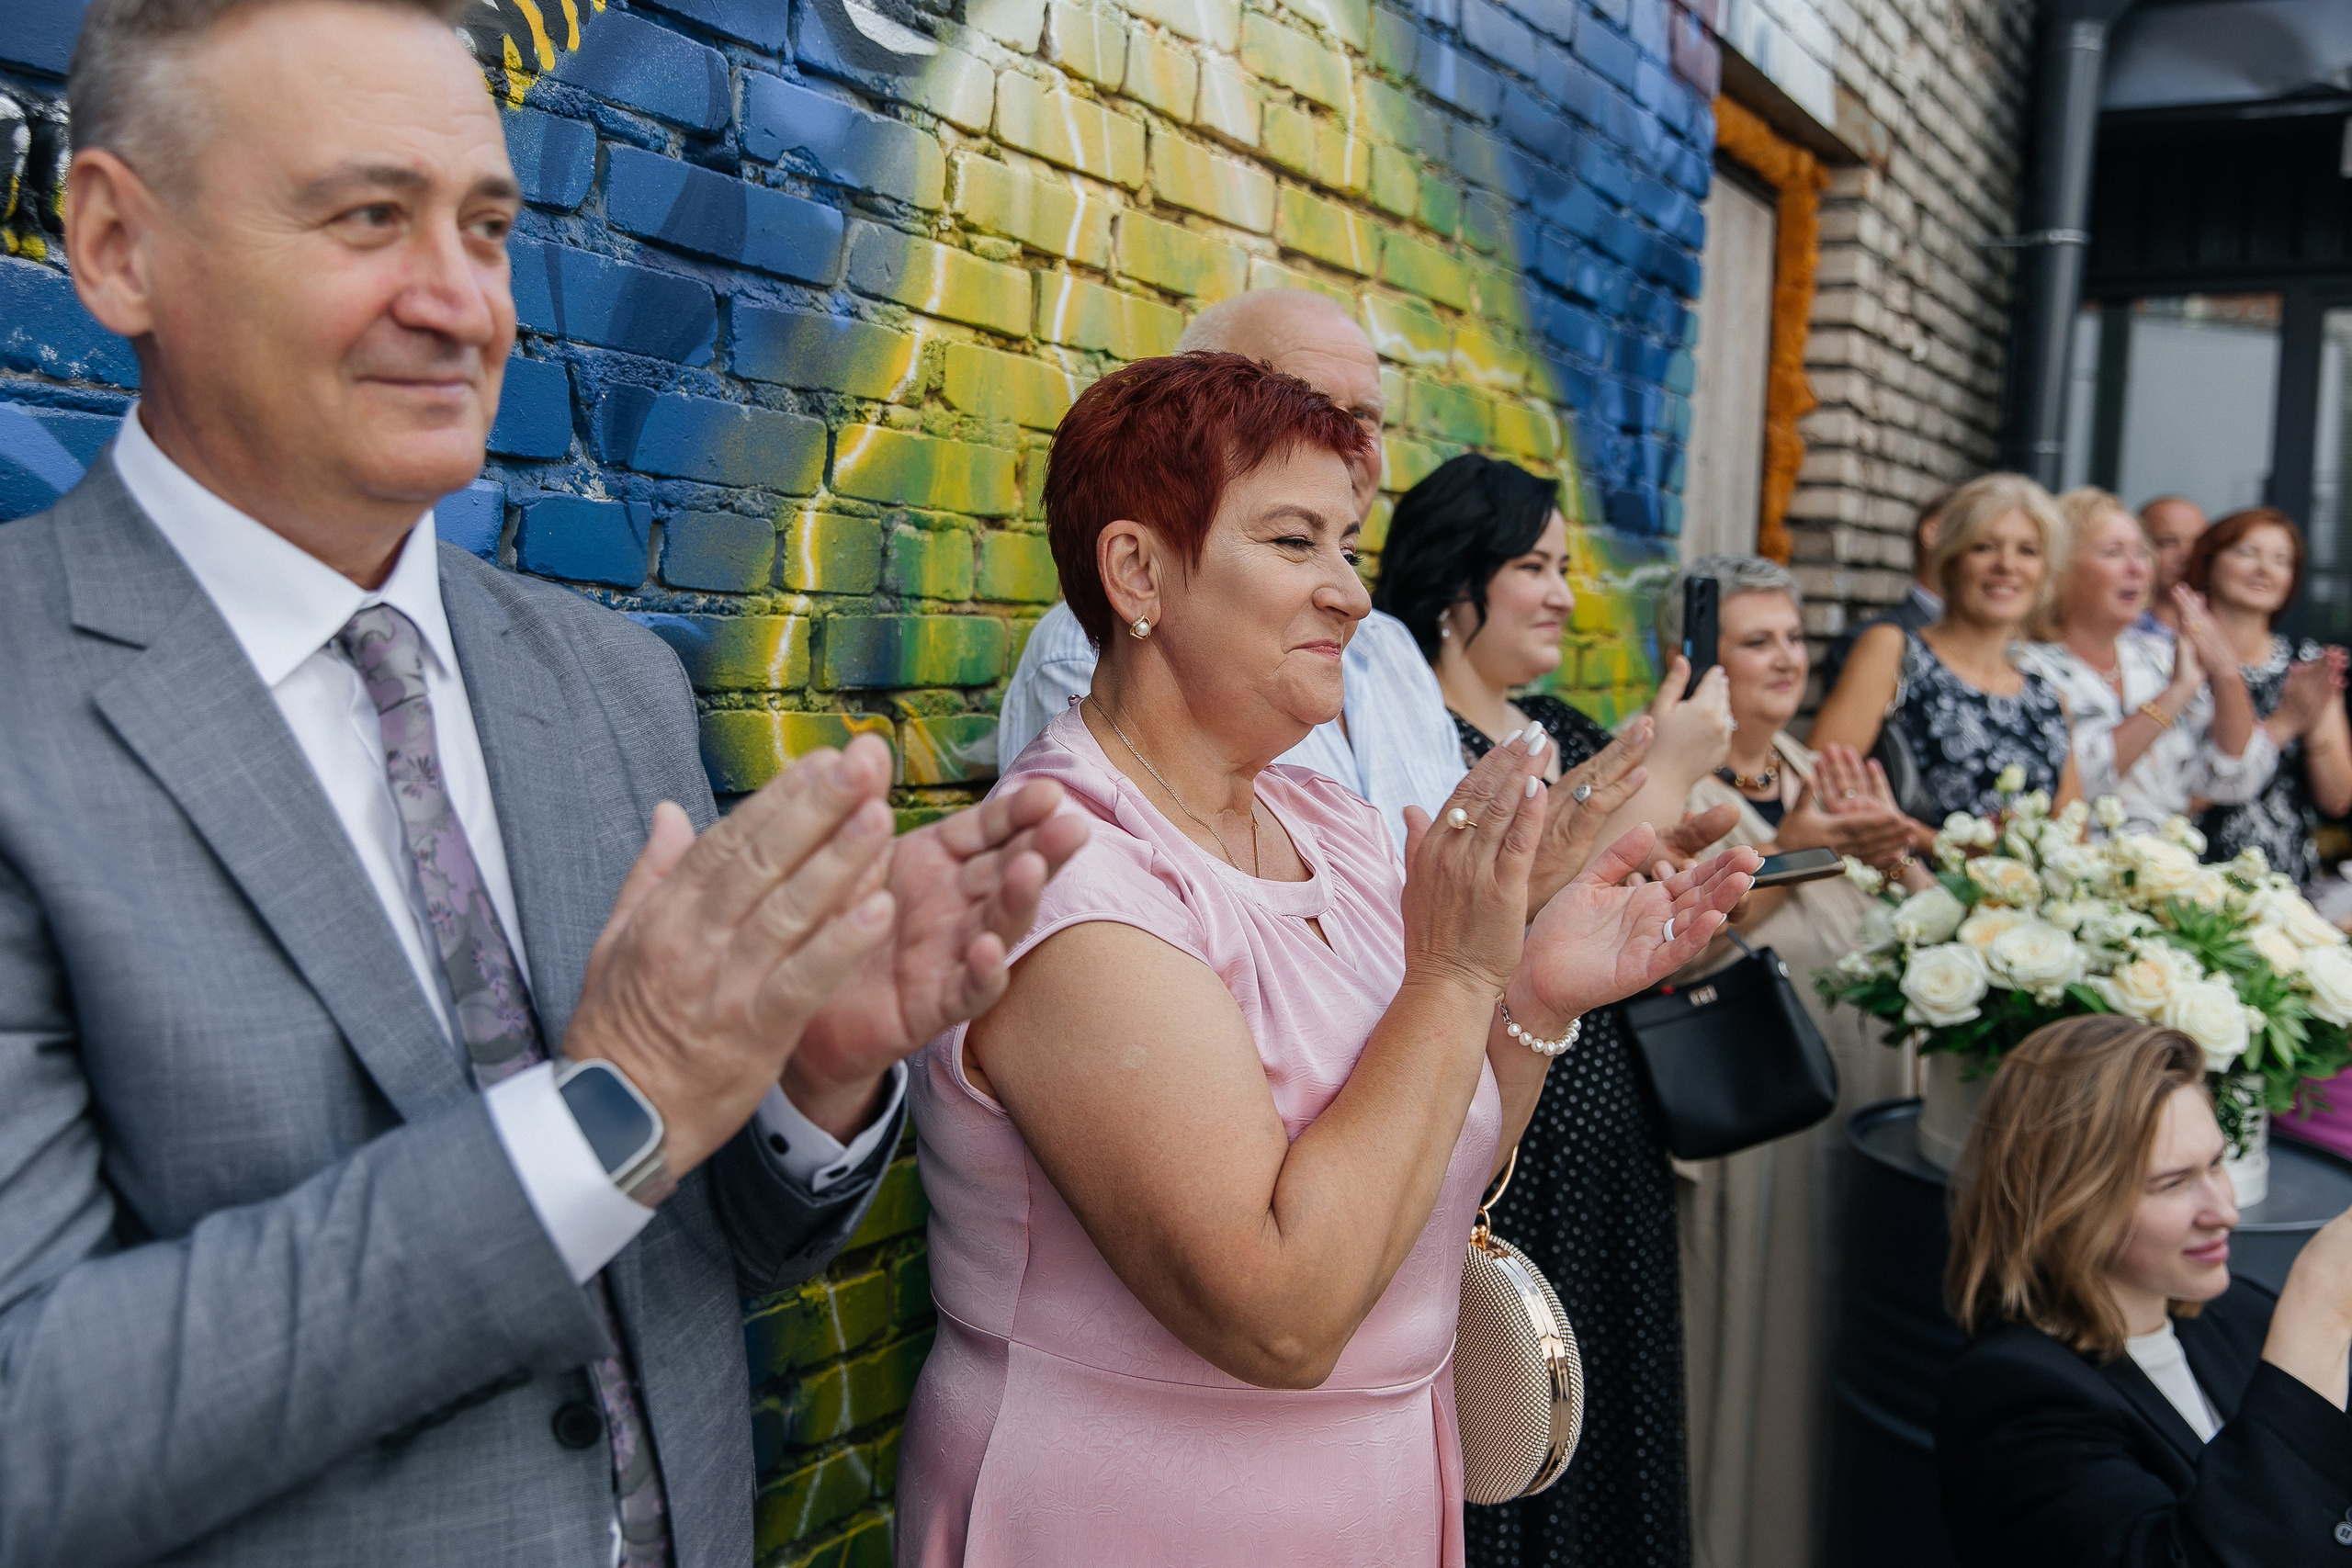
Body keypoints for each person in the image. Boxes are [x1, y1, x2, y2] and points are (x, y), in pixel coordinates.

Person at [0, 3, 1087, 1562]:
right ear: (116, 245)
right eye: (369, 216)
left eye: (489, 227)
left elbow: (710, 1252)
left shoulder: (611, 681)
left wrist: (812, 1075)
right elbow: (33, 1425)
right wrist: (620, 1097)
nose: (460, 304)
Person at [895, 354, 1758, 1564]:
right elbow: (1284, 1311)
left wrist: (1532, 994)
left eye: (1348, 545)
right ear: (1139, 570)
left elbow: (1429, 1167)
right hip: (1131, 1511)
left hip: (1382, 1488)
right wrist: (1457, 973)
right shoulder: (1069, 883)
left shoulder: (1333, 823)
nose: (1350, 595)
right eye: (1296, 541)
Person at [1372, 451, 1736, 1568]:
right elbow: (1470, 933)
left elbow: (1604, 892)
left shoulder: (1567, 723)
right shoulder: (1416, 745)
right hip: (1510, 1151)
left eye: (1567, 567)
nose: (1567, 594)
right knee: (1515, 1415)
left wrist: (1676, 849)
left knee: (1610, 1402)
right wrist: (1667, 770)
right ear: (1453, 579)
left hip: (1613, 1130)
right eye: (1535, 565)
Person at [1648, 555, 1922, 1568]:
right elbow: (1675, 933)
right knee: (1755, 1356)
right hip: (1752, 1135)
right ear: (1695, 661)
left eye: (1794, 639)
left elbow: (1896, 919)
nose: (1787, 659)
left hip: (1854, 1119)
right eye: (1755, 640)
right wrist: (1795, 846)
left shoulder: (1818, 768)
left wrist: (1896, 861)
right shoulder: (1666, 784)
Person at [995, 288, 1464, 846]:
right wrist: (1453, 935)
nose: (1342, 443)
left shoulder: (1390, 648)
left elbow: (1423, 885)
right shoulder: (1096, 660)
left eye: (1364, 416)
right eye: (1300, 402)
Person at [1937, 1017, 2352, 1566]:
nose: (2224, 1212)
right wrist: (2318, 1311)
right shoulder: (2015, 1395)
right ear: (2070, 1200)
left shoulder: (2234, 1313)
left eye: (2217, 1164)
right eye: (2173, 1183)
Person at [1812, 472, 2080, 840]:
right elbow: (1818, 784)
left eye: (2027, 551)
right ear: (1951, 561)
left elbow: (2073, 833)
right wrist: (1949, 849)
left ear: (2044, 572)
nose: (2007, 565)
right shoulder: (1894, 650)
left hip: (2026, 895)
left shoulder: (2048, 699)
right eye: (1984, 547)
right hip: (1908, 887)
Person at [2018, 488, 2271, 839]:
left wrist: (2225, 670)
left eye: (2141, 552)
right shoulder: (2026, 668)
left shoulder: (2160, 658)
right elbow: (2073, 784)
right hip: (2076, 875)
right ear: (2061, 568)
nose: (2137, 568)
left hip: (2171, 872)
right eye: (2113, 553)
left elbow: (2235, 777)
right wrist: (2176, 694)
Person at [2180, 507, 2352, 886]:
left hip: (2283, 880)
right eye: (2247, 552)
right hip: (2186, 873)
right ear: (2208, 563)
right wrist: (2285, 722)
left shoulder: (2306, 667)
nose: (2264, 569)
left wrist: (2316, 717)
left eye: (2281, 560)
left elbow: (2338, 798)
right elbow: (2168, 795)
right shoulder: (2176, 661)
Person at [1817, 486, 1954, 693]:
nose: (2005, 564)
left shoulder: (2004, 650)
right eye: (1983, 544)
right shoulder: (1863, 643)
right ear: (1933, 533)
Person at [2140, 495, 2210, 637]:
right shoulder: (2116, 629)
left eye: (2197, 543)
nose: (2187, 555)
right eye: (2168, 542)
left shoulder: (2226, 627)